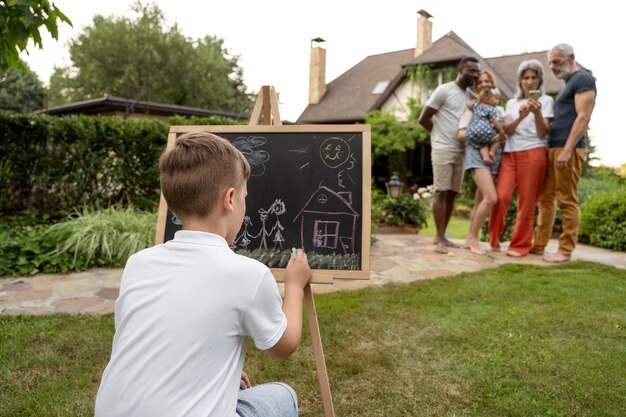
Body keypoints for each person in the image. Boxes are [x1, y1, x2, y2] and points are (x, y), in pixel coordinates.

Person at [94, 132, 312, 417]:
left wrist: (216, 368)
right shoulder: (248, 274)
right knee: (282, 395)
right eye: (245, 197)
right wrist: (294, 285)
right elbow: (282, 347)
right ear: (230, 199)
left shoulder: (139, 263)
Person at [530, 44, 596, 263]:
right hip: (553, 148)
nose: (552, 67)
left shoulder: (583, 80)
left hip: (568, 149)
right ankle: (539, 246)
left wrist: (567, 150)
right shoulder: (568, 85)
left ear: (571, 58)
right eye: (550, 63)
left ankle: (565, 250)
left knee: (567, 200)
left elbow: (583, 117)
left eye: (557, 61)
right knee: (545, 199)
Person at [488, 59, 554, 257]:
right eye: (526, 78)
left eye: (534, 77)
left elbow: (543, 133)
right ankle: (493, 238)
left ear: (539, 80)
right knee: (501, 196)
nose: (530, 81)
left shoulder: (547, 101)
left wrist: (537, 113)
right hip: (510, 154)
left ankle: (519, 245)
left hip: (534, 152)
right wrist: (521, 117)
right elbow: (506, 130)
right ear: (520, 81)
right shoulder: (511, 103)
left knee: (526, 203)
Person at [418, 56, 480, 254]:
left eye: (477, 72)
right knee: (442, 191)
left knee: (453, 193)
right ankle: (440, 237)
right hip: (443, 148)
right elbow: (423, 118)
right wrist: (438, 136)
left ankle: (442, 235)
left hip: (461, 151)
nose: (475, 75)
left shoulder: (471, 97)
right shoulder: (444, 90)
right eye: (471, 71)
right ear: (460, 70)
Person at [457, 70, 509, 255]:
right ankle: (473, 237)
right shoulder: (473, 108)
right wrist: (484, 135)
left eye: (488, 81)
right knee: (491, 197)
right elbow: (461, 134)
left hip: (494, 156)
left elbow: (505, 131)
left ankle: (470, 239)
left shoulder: (500, 110)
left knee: (480, 200)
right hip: (476, 155)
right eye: (480, 82)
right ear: (476, 86)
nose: (484, 84)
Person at [465, 87, 507, 165]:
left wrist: (478, 100)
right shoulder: (492, 109)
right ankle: (491, 152)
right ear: (487, 100)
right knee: (496, 138)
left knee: (481, 143)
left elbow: (468, 104)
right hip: (485, 130)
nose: (497, 102)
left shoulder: (477, 106)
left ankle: (485, 157)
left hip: (472, 131)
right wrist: (501, 130)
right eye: (496, 99)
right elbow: (493, 121)